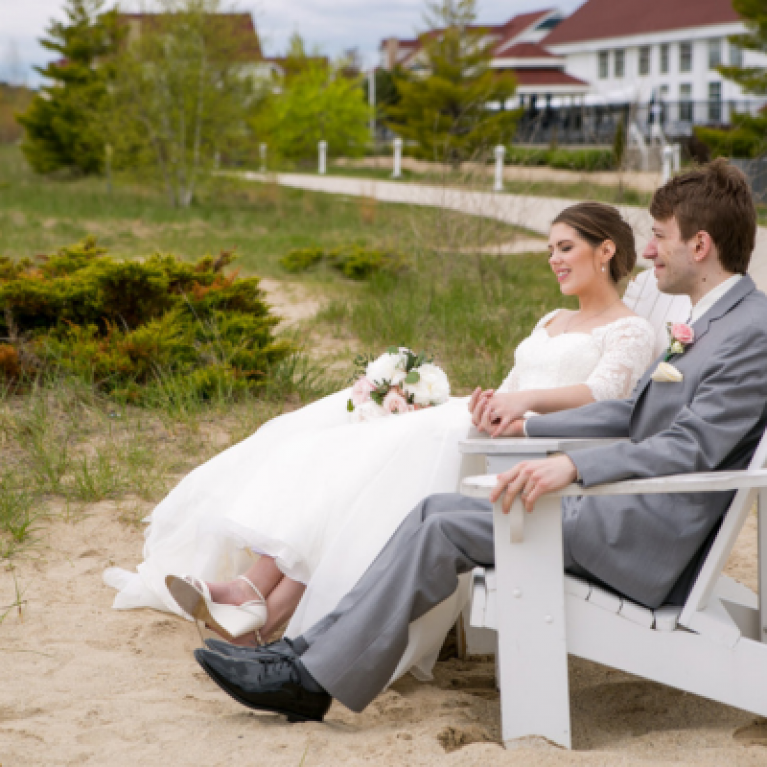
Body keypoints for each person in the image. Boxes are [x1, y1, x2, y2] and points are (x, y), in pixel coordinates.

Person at [191, 159, 767, 725]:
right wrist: (531, 425)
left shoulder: (748, 332)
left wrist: (572, 466)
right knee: (434, 509)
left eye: (661, 237)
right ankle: (303, 656)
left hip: (640, 538)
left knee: (443, 524)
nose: (649, 251)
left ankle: (310, 682)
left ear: (700, 246)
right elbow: (635, 412)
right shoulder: (714, 320)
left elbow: (690, 448)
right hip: (623, 514)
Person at [105, 202, 656, 672]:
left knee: (365, 464)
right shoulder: (552, 319)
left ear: (604, 251)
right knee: (338, 444)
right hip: (491, 426)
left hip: (525, 448)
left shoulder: (630, 328)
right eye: (550, 251)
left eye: (565, 248)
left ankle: (257, 605)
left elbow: (605, 396)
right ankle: (255, 598)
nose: (554, 260)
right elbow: (510, 386)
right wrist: (489, 399)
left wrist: (521, 406)